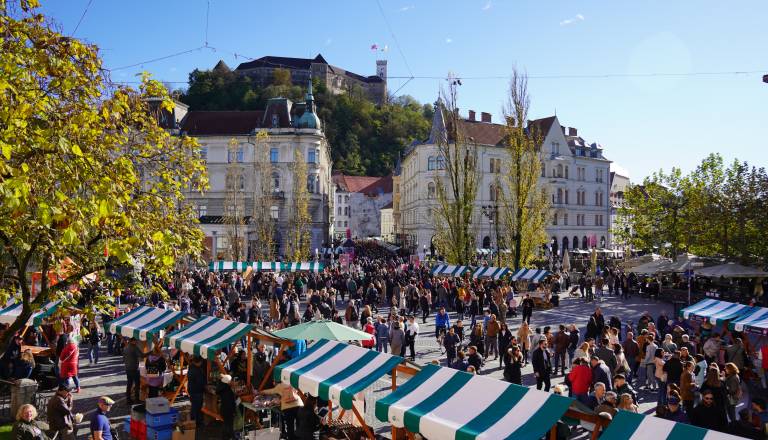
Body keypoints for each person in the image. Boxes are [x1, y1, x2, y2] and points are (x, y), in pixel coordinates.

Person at [122, 338, 144, 404]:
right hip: (134, 368)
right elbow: (142, 355)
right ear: (133, 341)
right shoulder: (134, 347)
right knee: (137, 384)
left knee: (129, 384)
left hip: (128, 368)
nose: (137, 342)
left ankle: (128, 399)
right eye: (136, 341)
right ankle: (136, 399)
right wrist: (151, 352)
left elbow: (123, 358)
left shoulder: (125, 348)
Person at [187, 355, 207, 423]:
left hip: (191, 389)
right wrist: (205, 386)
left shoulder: (191, 367)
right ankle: (197, 422)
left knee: (194, 405)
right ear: (200, 362)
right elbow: (200, 382)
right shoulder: (196, 370)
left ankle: (193, 419)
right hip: (197, 390)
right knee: (197, 406)